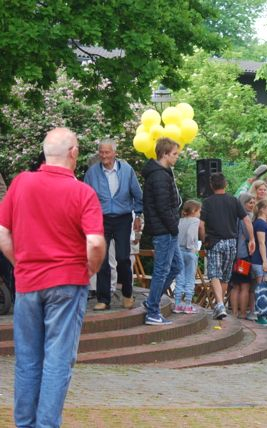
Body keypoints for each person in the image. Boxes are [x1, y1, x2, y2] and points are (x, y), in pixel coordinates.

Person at [0, 127, 106, 427]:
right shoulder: (83, 192)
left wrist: (20, 263)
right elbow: (95, 242)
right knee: (58, 359)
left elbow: (2, 233)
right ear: (74, 153)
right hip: (67, 281)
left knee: (27, 360)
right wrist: (91, 268)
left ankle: (24, 423)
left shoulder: (21, 183)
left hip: (28, 282)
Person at [84, 139, 143, 310]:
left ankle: (127, 294)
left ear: (114, 153)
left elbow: (137, 194)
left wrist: (138, 215)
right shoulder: (92, 173)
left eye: (107, 152)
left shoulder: (127, 170)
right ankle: (103, 299)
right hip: (100, 219)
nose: (103, 156)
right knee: (102, 259)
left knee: (123, 258)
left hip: (123, 218)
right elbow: (85, 197)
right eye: (101, 152)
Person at [199, 172, 255, 320]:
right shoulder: (234, 201)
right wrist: (252, 239)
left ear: (211, 186)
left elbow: (201, 225)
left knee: (214, 274)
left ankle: (219, 305)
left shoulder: (207, 202)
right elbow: (247, 220)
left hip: (215, 242)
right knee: (224, 277)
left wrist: (204, 240)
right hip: (231, 243)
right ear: (226, 184)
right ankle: (220, 306)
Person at [141, 138, 185, 326]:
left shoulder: (163, 174)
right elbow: (163, 207)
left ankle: (152, 300)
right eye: (174, 154)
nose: (176, 157)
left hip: (166, 230)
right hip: (164, 231)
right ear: (165, 154)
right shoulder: (159, 176)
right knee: (162, 270)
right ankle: (152, 311)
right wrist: (173, 227)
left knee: (176, 266)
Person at [251, 198, 267, 326]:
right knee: (261, 288)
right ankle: (262, 315)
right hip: (260, 260)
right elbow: (261, 243)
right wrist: (265, 262)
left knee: (265, 287)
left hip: (264, 259)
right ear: (262, 209)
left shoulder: (264, 223)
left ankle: (265, 314)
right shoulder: (260, 224)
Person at [229, 192, 256, 319]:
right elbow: (248, 235)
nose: (252, 205)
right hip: (243, 255)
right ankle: (243, 313)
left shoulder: (232, 216)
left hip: (233, 255)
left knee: (235, 286)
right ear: (243, 203)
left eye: (254, 202)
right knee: (245, 286)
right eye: (250, 202)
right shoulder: (245, 218)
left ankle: (234, 312)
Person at [173, 200, 202, 315]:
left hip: (179, 251)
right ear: (194, 211)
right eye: (199, 211)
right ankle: (188, 304)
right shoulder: (195, 221)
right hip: (189, 251)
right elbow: (190, 234)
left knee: (180, 278)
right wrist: (192, 247)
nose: (200, 213)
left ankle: (177, 303)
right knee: (190, 278)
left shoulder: (180, 221)